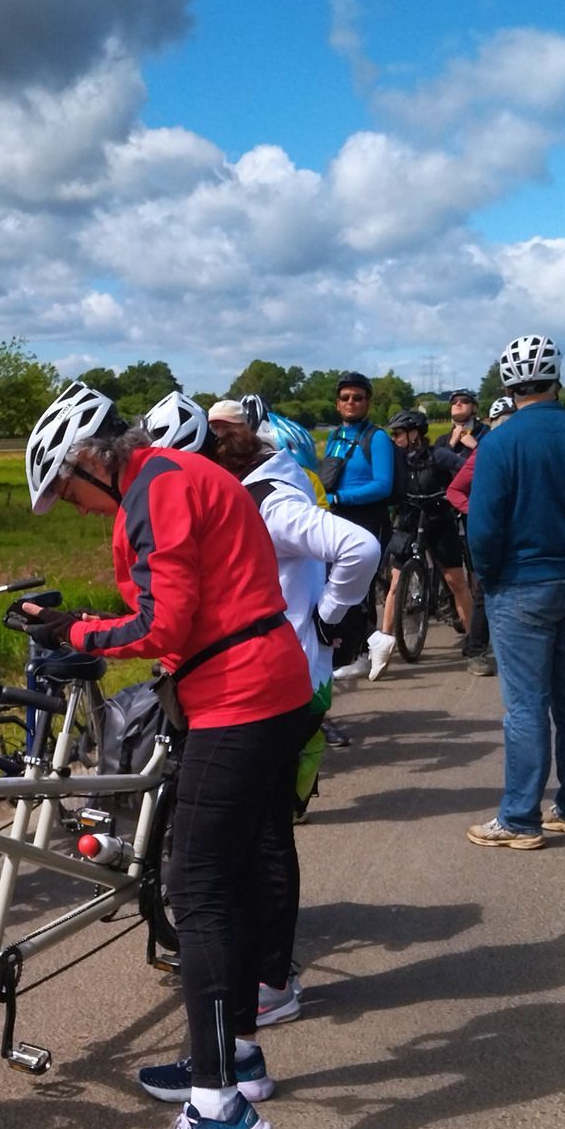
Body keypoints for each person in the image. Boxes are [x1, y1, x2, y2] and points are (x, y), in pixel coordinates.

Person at [23, 382, 313, 1129]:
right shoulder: (174, 478)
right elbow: (181, 600)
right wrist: (81, 621)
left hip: (238, 700)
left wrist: (75, 631)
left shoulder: (158, 488)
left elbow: (163, 625)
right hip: (266, 688)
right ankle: (237, 1055)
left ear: (91, 459)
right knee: (236, 879)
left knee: (199, 890)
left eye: (68, 491)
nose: (75, 507)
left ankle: (219, 1111)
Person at [200, 397, 378, 1026]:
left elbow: (359, 546)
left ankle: (272, 981)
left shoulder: (270, 502)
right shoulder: (265, 489)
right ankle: (266, 968)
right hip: (285, 674)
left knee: (267, 834)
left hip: (290, 678)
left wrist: (329, 618)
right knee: (265, 828)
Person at [464, 336, 565, 851]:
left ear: (509, 384)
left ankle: (519, 819)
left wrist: (490, 577)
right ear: (556, 379)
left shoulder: (500, 442)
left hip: (519, 584)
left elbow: (484, 527)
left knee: (526, 706)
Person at [377, 408, 473, 675]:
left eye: (398, 433)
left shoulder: (437, 456)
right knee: (396, 583)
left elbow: (466, 470)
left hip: (439, 518)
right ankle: (383, 647)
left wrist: (456, 494)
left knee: (455, 581)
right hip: (409, 518)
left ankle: (474, 641)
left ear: (414, 434)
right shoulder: (396, 460)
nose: (395, 438)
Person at [317, 372, 398, 681]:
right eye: (345, 398)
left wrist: (340, 497)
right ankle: (349, 648)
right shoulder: (335, 436)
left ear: (368, 402)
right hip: (337, 518)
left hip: (368, 519)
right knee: (333, 585)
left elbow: (383, 485)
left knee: (360, 588)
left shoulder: (376, 438)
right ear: (337, 404)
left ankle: (363, 654)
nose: (351, 402)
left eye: (358, 397)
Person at [446, 395, 515, 676]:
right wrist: (479, 513)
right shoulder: (487, 452)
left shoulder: (531, 449)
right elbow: (455, 490)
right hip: (494, 533)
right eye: (502, 422)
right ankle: (476, 650)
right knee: (486, 590)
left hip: (525, 532)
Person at [437, 389, 488, 458]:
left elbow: (496, 459)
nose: (458, 404)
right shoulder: (442, 441)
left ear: (474, 408)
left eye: (464, 400)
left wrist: (476, 446)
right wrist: (451, 444)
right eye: (454, 401)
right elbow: (435, 463)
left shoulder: (487, 434)